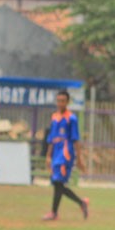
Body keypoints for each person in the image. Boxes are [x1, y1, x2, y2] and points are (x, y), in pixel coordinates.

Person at [43, 89, 89, 221]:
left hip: (66, 153)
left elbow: (76, 139)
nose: (60, 103)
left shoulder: (71, 118)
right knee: (58, 184)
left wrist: (79, 159)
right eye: (58, 101)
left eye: (63, 101)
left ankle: (54, 213)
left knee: (58, 182)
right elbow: (51, 138)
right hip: (56, 153)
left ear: (67, 102)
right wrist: (48, 156)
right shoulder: (54, 117)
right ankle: (81, 203)